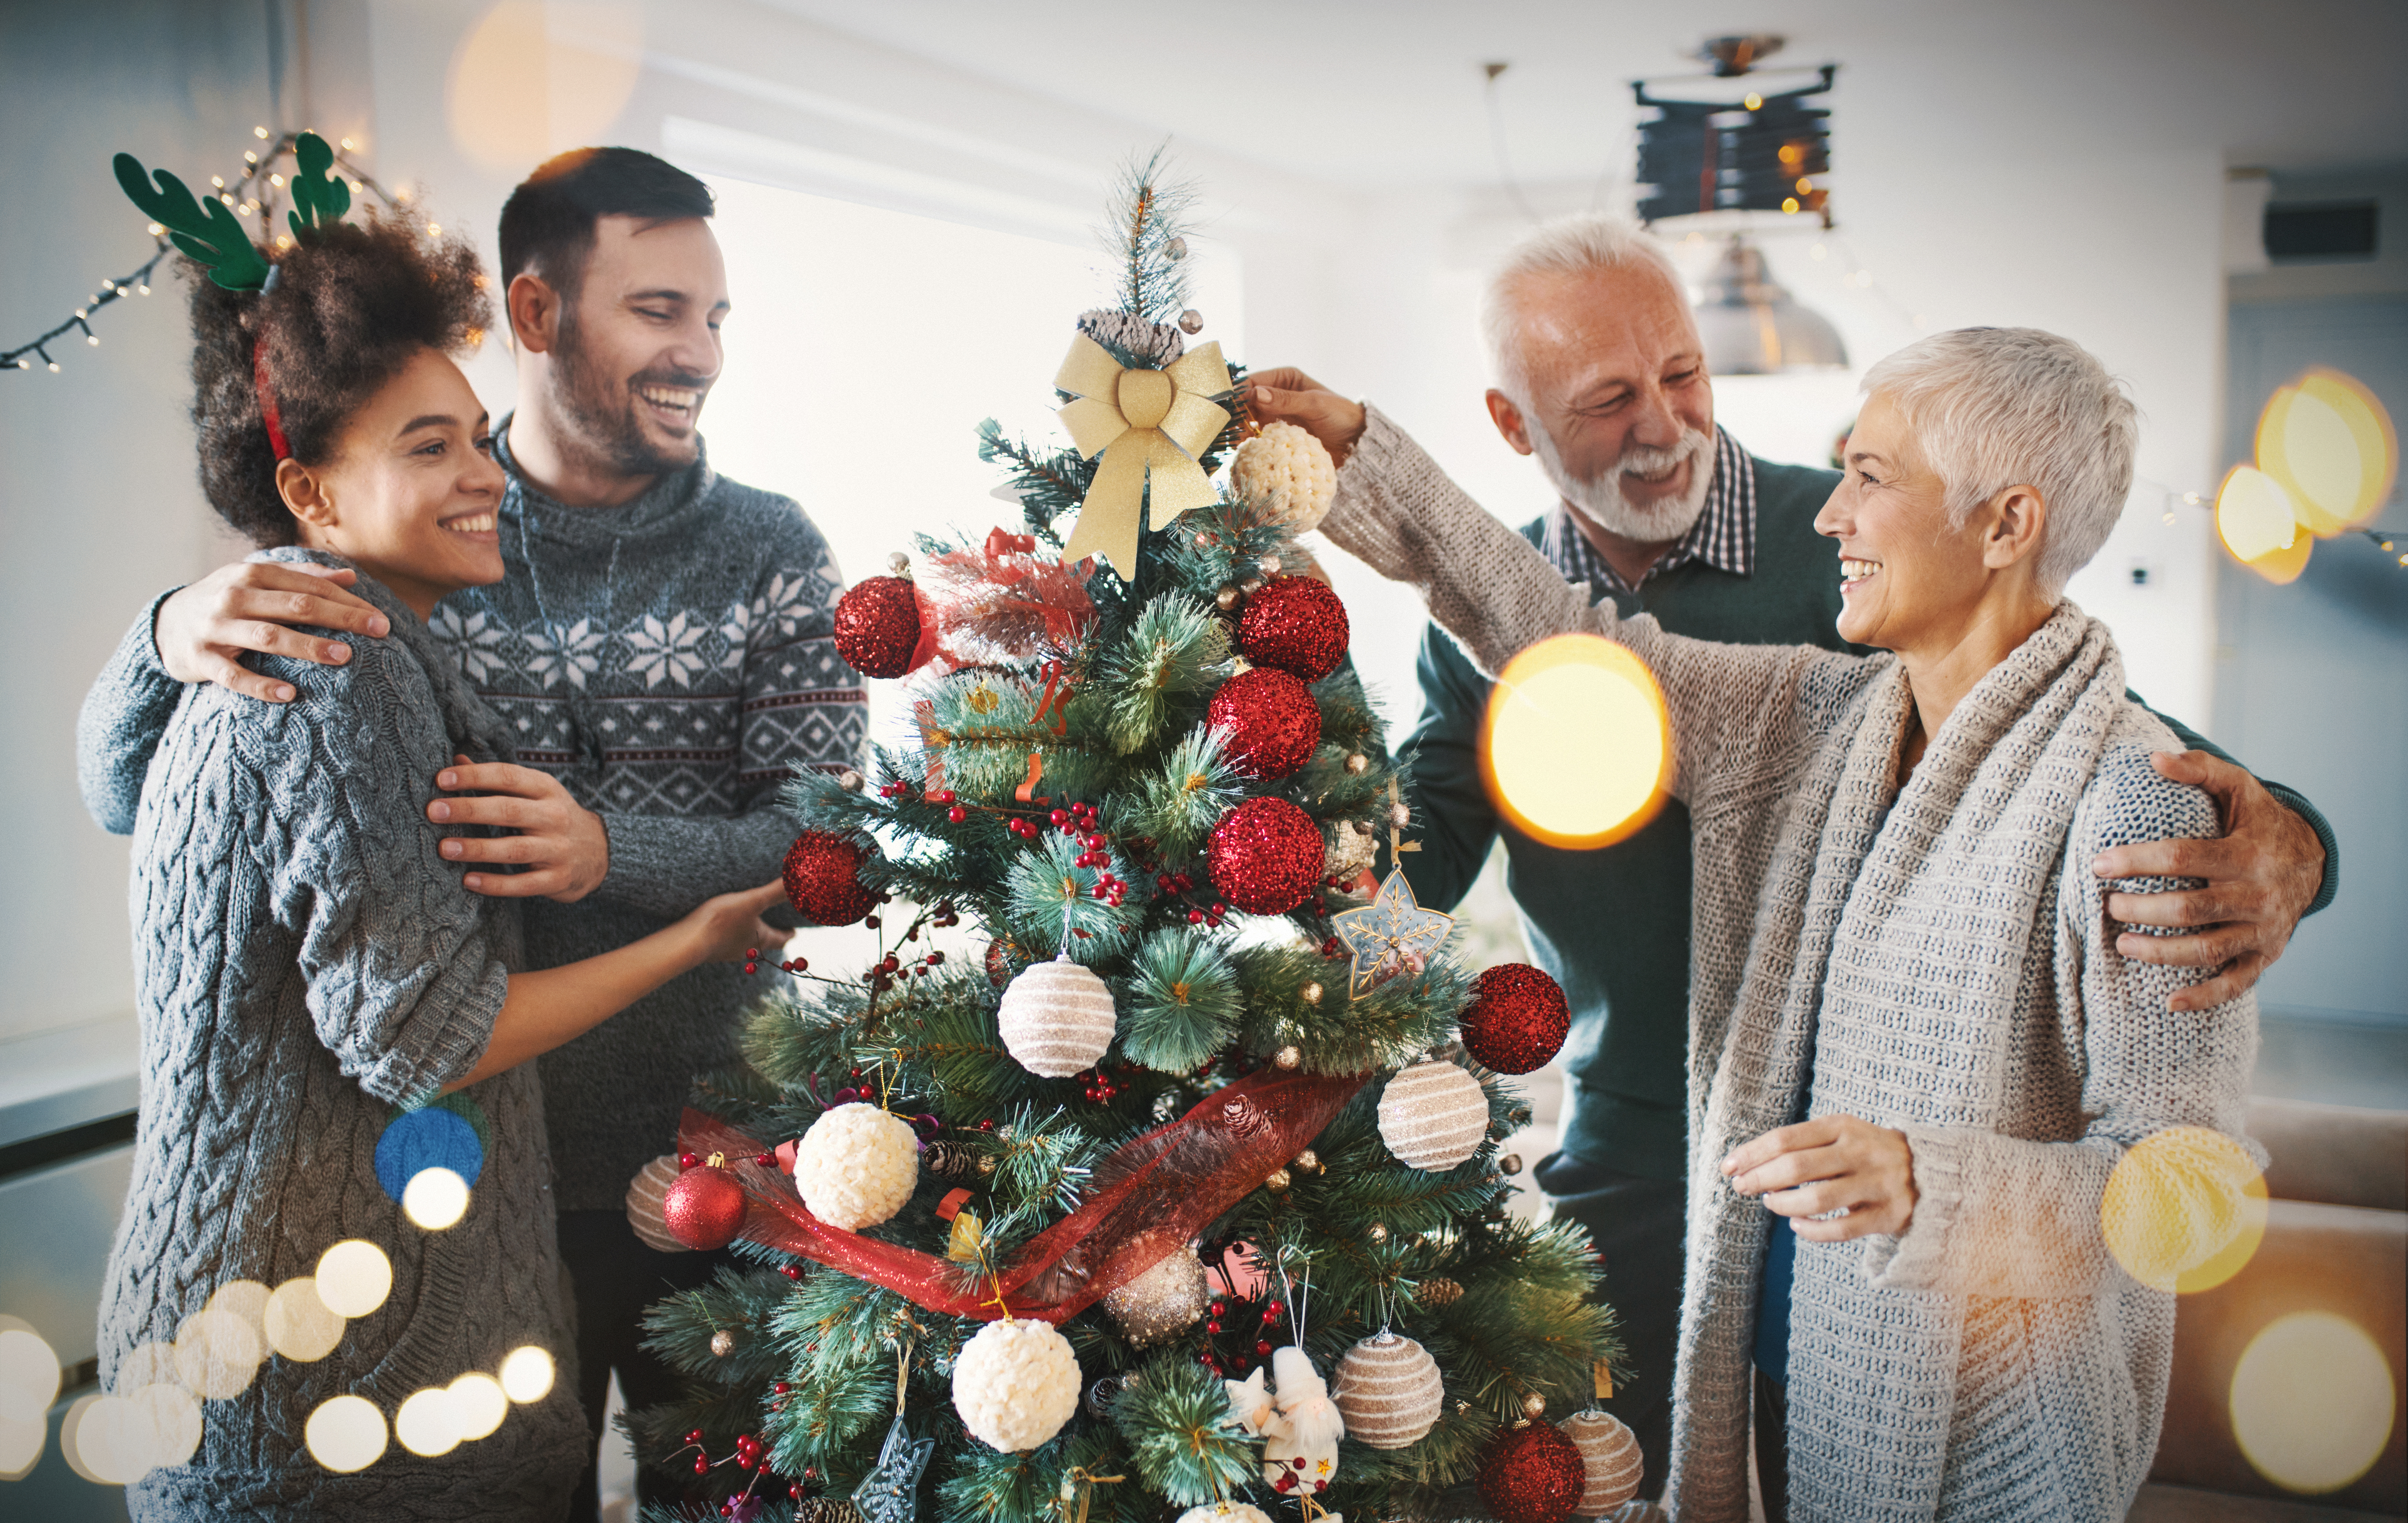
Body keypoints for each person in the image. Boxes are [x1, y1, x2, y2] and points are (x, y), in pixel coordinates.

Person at [1248, 215, 2334, 1498]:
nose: (1833, 517)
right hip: (1775, 1295)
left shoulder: (2132, 808)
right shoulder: (1816, 715)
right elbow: (1563, 637)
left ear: (2005, 526)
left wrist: (1935, 1182)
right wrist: (1361, 453)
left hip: (2002, 1414)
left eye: (1870, 477)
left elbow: (2195, 1196)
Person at [77, 148, 866, 1519]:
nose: (701, 354)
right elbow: (127, 789)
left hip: (718, 1153)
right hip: (482, 1176)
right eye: (660, 310)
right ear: (540, 314)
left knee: (728, 1498)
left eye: (716, 318)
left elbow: (829, 844)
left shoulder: (770, 549)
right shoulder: (392, 540)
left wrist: (610, 853)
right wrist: (160, 633)